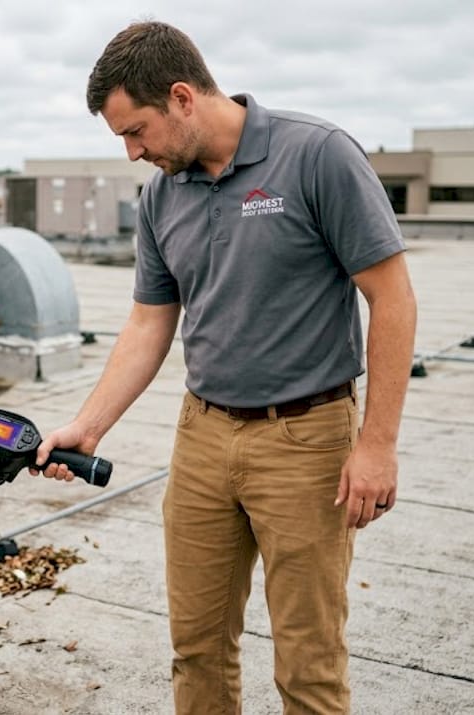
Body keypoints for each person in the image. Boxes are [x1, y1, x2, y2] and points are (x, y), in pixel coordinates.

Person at [30, 21, 418, 715]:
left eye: (136, 130)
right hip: (202, 437)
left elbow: (391, 297)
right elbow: (151, 321)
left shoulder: (316, 155)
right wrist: (88, 425)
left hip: (307, 441)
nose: (131, 152)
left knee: (309, 666)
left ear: (182, 97)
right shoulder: (161, 197)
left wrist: (378, 443)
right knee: (198, 649)